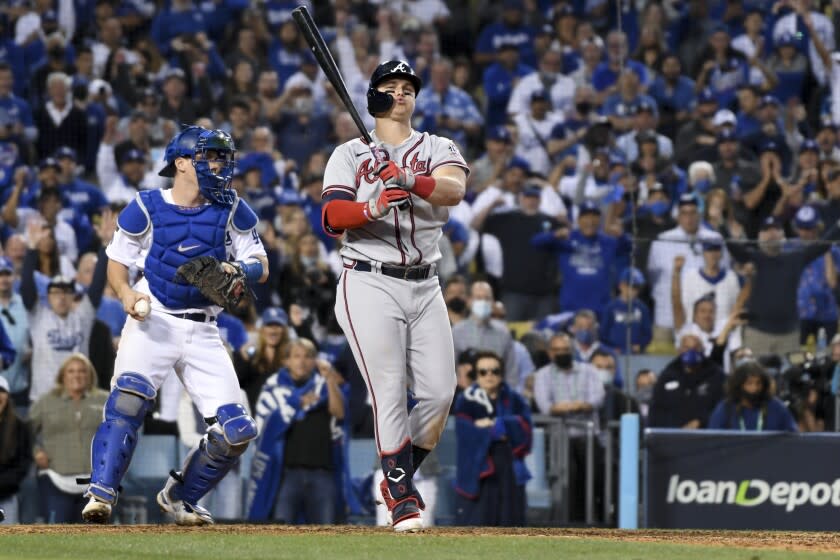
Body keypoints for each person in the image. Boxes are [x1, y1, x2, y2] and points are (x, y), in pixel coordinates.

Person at [81, 126, 269, 526]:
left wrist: (236, 268)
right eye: (210, 157)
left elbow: (261, 264)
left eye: (222, 157)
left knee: (237, 431)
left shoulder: (233, 207)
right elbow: (117, 261)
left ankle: (181, 496)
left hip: (204, 327)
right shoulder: (146, 205)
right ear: (181, 163)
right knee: (128, 401)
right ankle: (101, 493)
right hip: (156, 318)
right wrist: (126, 295)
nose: (219, 164)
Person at [320, 60, 468, 532]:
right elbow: (330, 217)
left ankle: (394, 474)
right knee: (387, 388)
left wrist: (408, 180)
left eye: (408, 88)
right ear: (375, 97)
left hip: (426, 282)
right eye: (392, 87)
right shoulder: (348, 153)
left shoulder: (437, 145)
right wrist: (374, 204)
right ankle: (403, 496)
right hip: (368, 278)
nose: (401, 94)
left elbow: (453, 190)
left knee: (440, 394)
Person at [245, 339, 349, 524]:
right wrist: (297, 402)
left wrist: (331, 380)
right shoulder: (273, 388)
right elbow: (264, 427)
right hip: (286, 474)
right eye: (297, 356)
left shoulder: (323, 386)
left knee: (328, 533)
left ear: (315, 361)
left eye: (308, 357)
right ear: (286, 361)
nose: (302, 361)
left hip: (322, 473)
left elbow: (339, 413)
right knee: (282, 531)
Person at [454, 350, 532, 526]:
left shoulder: (515, 399)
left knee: (511, 521)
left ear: (501, 374)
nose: (489, 376)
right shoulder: (466, 400)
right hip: (480, 469)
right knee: (479, 523)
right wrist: (497, 432)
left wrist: (497, 424)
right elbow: (465, 431)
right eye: (483, 372)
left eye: (494, 371)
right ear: (476, 375)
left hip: (509, 466)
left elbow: (526, 427)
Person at [29, 354, 108, 523]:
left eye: (82, 371)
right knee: (56, 535)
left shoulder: (105, 400)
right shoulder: (46, 401)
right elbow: (24, 433)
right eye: (71, 371)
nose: (77, 375)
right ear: (62, 376)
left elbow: (120, 432)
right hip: (56, 478)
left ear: (90, 375)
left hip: (97, 481)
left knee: (95, 537)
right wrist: (36, 453)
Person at [648, 334, 725, 429]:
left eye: (696, 348)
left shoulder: (716, 375)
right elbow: (657, 409)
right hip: (672, 436)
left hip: (705, 434)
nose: (691, 351)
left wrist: (701, 421)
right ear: (679, 350)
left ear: (703, 350)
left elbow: (722, 407)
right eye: (687, 348)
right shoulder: (667, 376)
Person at [452, 281, 518, 388]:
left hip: (497, 394)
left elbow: (511, 373)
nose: (483, 302)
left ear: (493, 302)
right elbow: (451, 371)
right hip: (465, 393)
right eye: (478, 298)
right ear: (469, 301)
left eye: (487, 298)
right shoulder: (456, 332)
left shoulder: (503, 332)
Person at [708, 361, 797, 432]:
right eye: (749, 383)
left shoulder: (776, 406)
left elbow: (792, 436)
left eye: (758, 383)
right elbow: (714, 439)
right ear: (739, 385)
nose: (754, 388)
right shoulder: (726, 408)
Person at [233, 307, 290, 411]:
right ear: (262, 329)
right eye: (269, 325)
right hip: (254, 412)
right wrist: (243, 359)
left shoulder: (290, 358)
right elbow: (238, 383)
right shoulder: (251, 354)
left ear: (284, 330)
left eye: (278, 326)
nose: (273, 330)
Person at [0, 375, 30, 524]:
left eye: (2, 391)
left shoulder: (18, 427)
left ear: (8, 396)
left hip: (7, 497)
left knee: (7, 543)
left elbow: (23, 464)